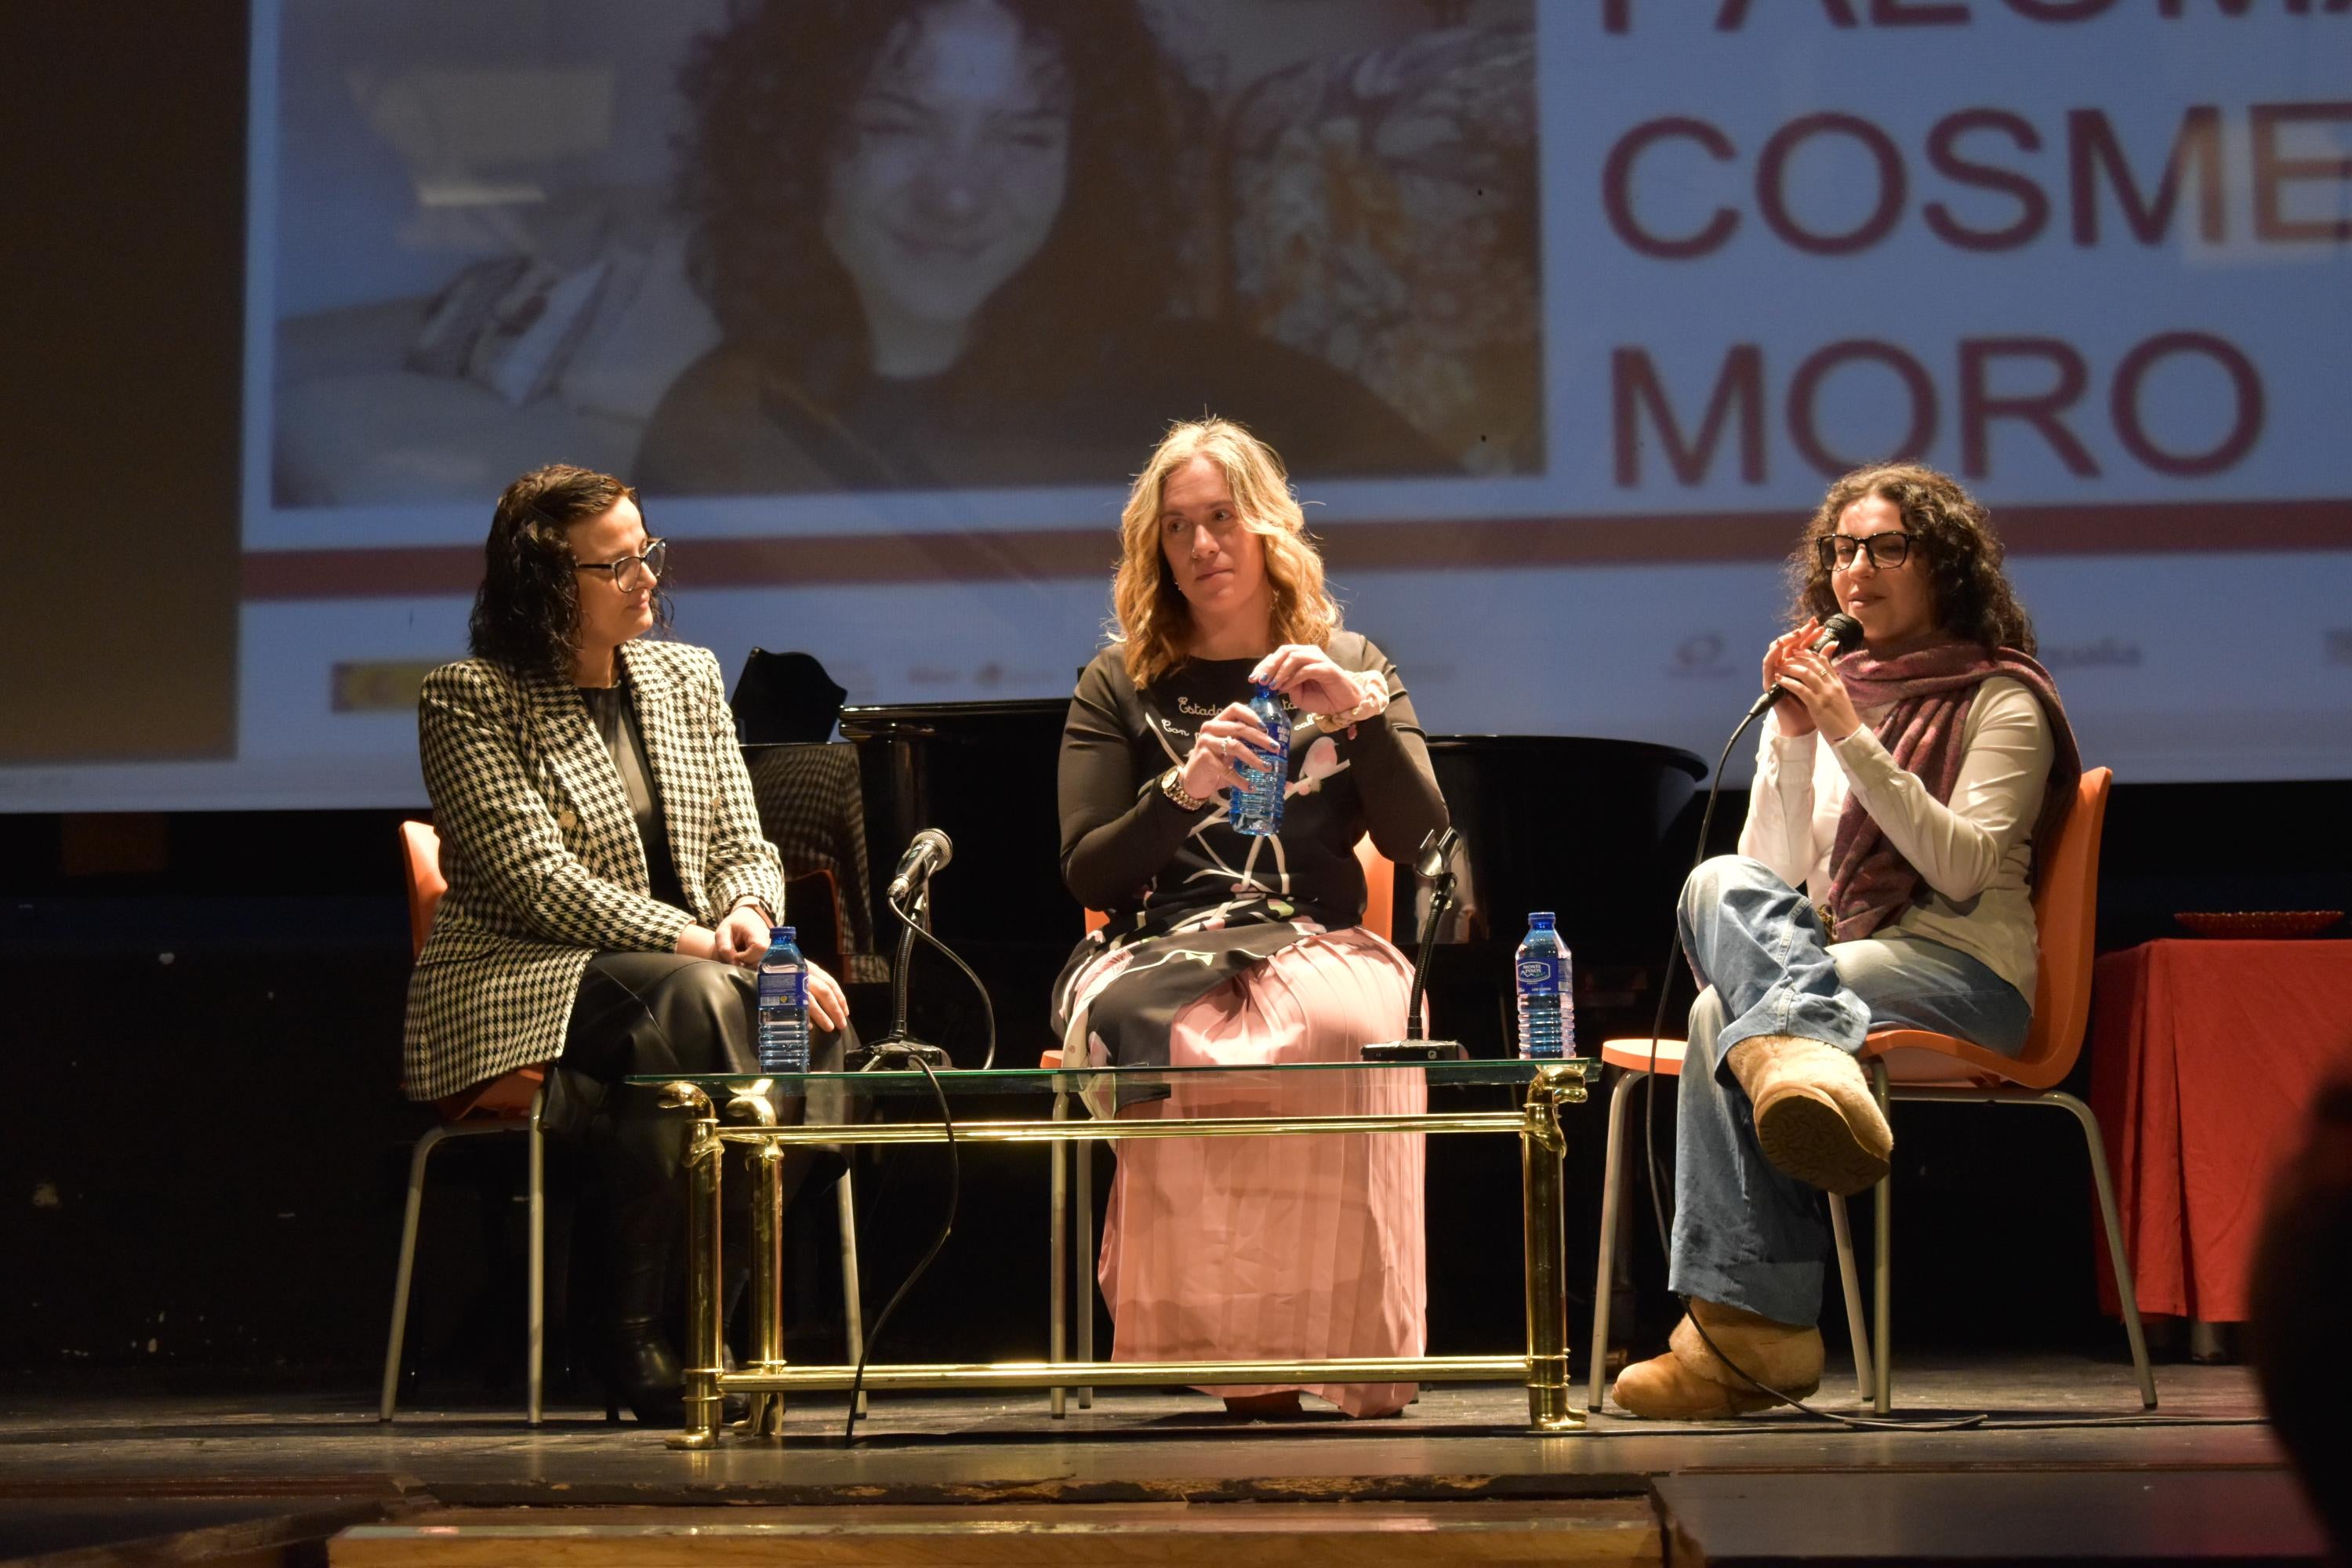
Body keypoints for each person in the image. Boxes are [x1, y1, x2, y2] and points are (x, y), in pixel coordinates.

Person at [1611, 463, 2082, 1420]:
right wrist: (1790, 742)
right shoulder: (1833, 696)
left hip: (1964, 974)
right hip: (1841, 967)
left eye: (1887, 547)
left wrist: (1848, 733)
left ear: (1943, 563)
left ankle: (1750, 1334)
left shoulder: (2003, 702)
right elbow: (1772, 879)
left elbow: (1956, 870)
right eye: (1842, 549)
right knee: (1714, 885)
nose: (1856, 568)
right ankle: (1797, 1056)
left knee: (1730, 1011)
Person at [402, 463, 854, 1423]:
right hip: (523, 973)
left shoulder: (684, 676)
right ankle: (629, 1328)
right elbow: (535, 881)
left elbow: (744, 838)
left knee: (808, 1021)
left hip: (690, 978)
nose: (647, 575)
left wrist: (751, 923)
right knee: (693, 1003)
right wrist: (701, 941)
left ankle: (715, 1319)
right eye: (617, 564)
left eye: (647, 551)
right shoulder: (469, 697)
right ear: (544, 583)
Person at [638, 0, 1452, 494]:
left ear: (1088, 164)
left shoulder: (1219, 393)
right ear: (801, 143)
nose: (957, 193)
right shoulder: (726, 425)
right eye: (896, 126)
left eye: (1024, 138)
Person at [1052, 417, 1450, 1418]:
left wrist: (1359, 714)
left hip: (1319, 932)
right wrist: (1182, 792)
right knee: (1192, 1040)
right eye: (1178, 527)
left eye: (1222, 518)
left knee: (1340, 1030)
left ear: (1269, 528)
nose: (1202, 546)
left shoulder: (1351, 657)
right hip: (1156, 942)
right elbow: (1086, 867)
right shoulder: (1121, 684)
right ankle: (1237, 1357)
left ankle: (1346, 1347)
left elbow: (1418, 838)